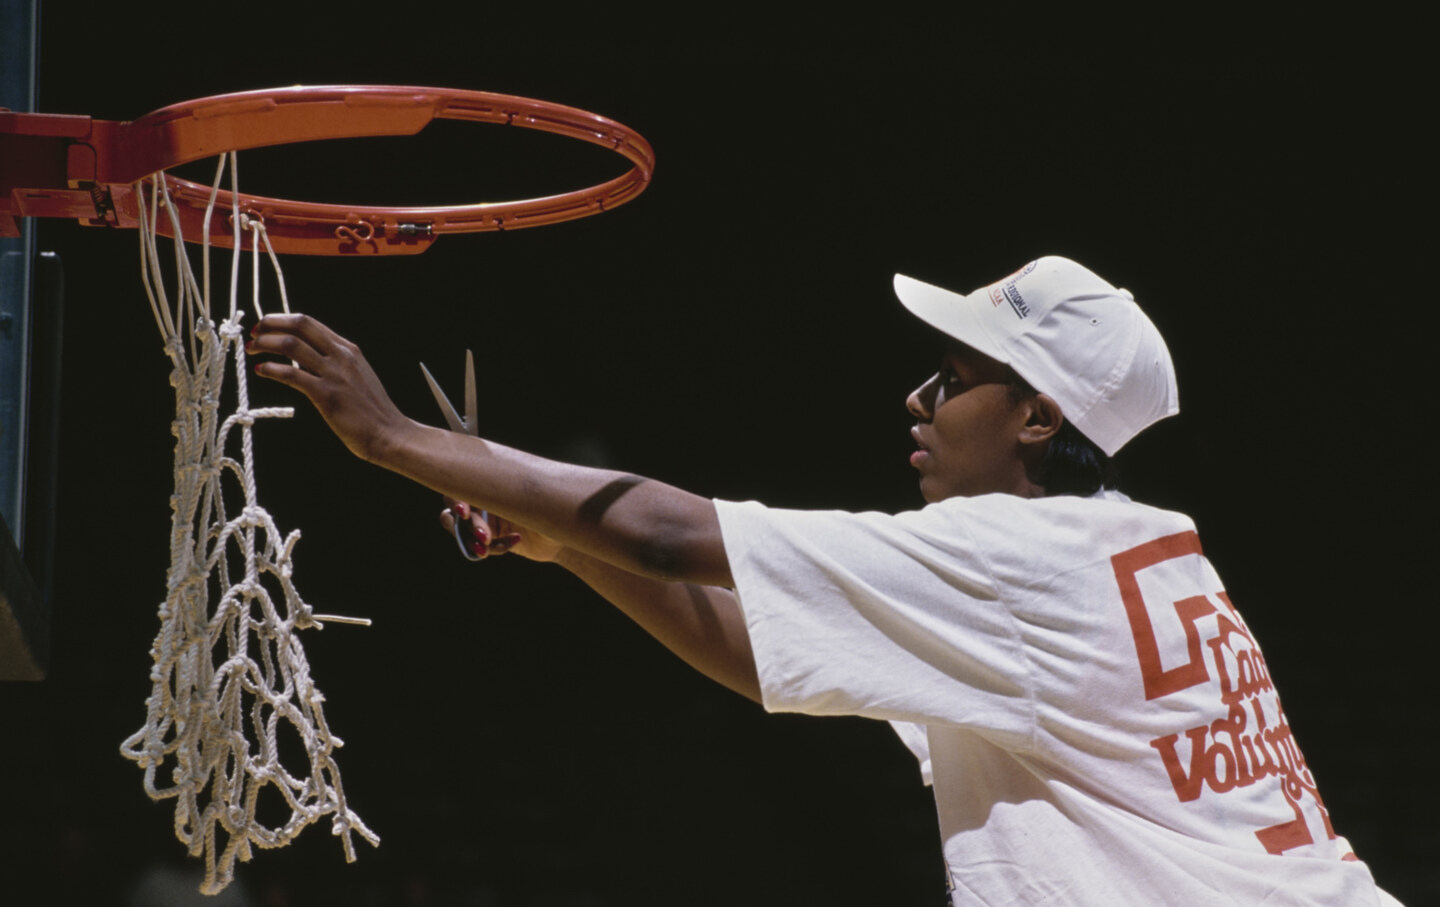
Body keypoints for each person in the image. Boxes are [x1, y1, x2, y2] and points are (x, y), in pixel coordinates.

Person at [247, 256, 1400, 906]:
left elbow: (660, 528)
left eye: (949, 377)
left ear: (1039, 415)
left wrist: (392, 438)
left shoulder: (1022, 557)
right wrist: (566, 545)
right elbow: (762, 653)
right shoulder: (1122, 550)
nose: (917, 400)